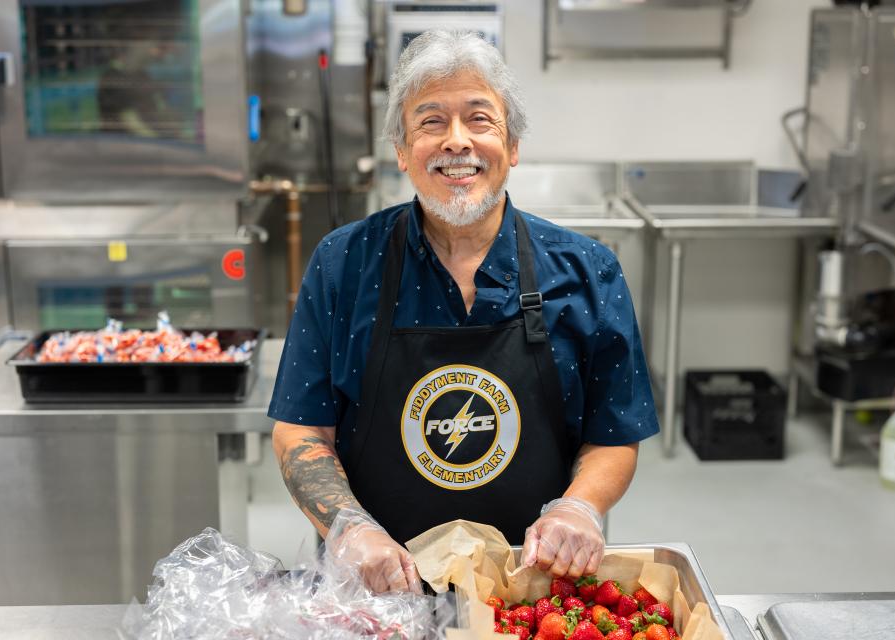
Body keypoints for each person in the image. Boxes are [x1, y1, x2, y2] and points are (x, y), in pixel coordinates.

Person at [268, 30, 659, 594]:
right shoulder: (343, 264)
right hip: (378, 589)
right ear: (402, 151)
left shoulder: (588, 270)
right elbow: (301, 428)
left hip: (530, 589)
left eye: (480, 119)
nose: (457, 142)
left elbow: (614, 435)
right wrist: (349, 530)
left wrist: (579, 510)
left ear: (513, 145)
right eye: (430, 122)